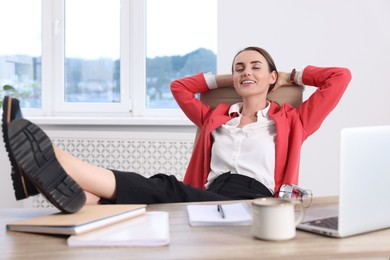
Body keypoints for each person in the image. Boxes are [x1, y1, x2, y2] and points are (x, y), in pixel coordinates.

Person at [2, 47, 352, 213]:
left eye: (256, 67)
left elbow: (340, 77)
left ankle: (55, 159)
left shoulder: (293, 121)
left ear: (271, 77)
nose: (246, 71)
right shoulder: (215, 117)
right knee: (126, 197)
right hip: (211, 195)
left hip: (251, 204)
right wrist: (232, 78)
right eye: (239, 67)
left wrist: (293, 75)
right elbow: (179, 87)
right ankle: (52, 183)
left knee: (165, 187)